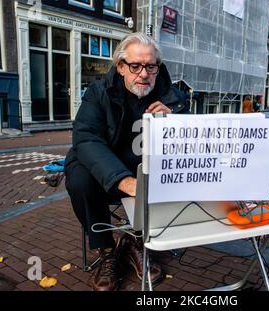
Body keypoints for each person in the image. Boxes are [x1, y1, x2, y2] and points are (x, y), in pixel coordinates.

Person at [65, 32, 189, 291]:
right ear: (121, 67)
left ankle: (136, 240)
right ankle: (107, 250)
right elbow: (86, 138)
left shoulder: (173, 98)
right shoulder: (98, 93)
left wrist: (174, 121)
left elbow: (189, 144)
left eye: (151, 66)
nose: (144, 74)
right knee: (79, 176)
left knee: (171, 177)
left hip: (147, 168)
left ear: (158, 67)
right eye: (135, 66)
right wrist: (123, 180)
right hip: (107, 171)